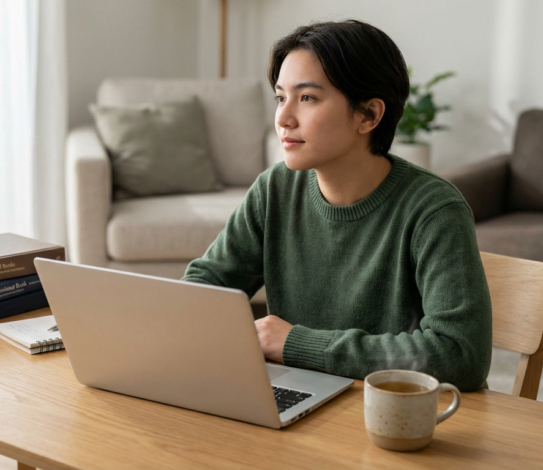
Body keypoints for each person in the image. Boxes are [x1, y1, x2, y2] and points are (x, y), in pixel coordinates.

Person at [182, 20, 491, 391]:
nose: (283, 118)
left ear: (368, 116)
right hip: (298, 394)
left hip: (393, 415)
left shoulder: (434, 210)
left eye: (307, 97)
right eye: (281, 97)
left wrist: (296, 343)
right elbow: (203, 287)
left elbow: (459, 355)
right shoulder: (274, 189)